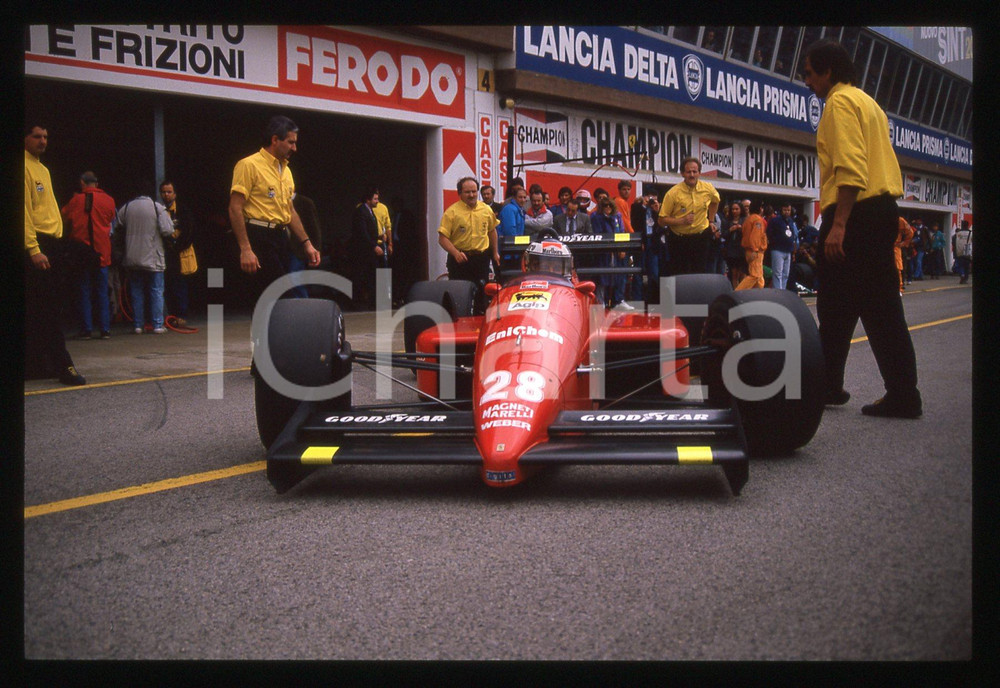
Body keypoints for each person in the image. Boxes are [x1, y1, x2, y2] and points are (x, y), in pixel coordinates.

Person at [804, 39, 921, 418]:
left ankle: (831, 387)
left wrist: (839, 225)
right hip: (878, 210)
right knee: (877, 307)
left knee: (840, 306)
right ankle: (899, 393)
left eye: (809, 73)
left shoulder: (838, 103)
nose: (807, 82)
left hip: (854, 215)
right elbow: (880, 165)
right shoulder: (869, 103)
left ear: (828, 72)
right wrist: (887, 213)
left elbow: (851, 168)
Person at [228, 115, 320, 305]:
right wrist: (246, 249)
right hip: (258, 236)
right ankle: (267, 335)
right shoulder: (249, 165)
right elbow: (235, 208)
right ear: (275, 140)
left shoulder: (286, 171)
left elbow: (290, 210)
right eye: (290, 142)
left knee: (279, 296)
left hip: (280, 238)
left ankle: (274, 335)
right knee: (278, 296)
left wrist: (307, 244)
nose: (295, 148)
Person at [24, 123, 87, 385]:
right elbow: (23, 213)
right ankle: (65, 366)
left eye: (46, 137)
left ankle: (37, 366)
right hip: (38, 245)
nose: (42, 141)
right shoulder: (23, 167)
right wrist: (34, 249)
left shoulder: (43, 169)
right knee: (49, 310)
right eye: (37, 136)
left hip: (52, 243)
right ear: (25, 138)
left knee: (39, 309)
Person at [62, 170, 116, 339]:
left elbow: (63, 217)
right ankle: (105, 329)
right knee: (102, 292)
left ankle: (86, 329)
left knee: (83, 291)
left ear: (82, 183)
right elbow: (110, 219)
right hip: (102, 253)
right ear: (97, 184)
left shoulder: (75, 200)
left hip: (81, 253)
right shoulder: (108, 200)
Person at [115, 192, 176, 334]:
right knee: (156, 290)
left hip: (132, 257)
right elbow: (168, 230)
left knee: (137, 291)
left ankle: (138, 325)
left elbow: (118, 228)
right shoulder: (157, 207)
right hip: (153, 257)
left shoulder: (127, 207)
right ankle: (157, 325)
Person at [657, 156, 721, 275]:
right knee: (679, 275)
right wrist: (681, 221)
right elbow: (661, 220)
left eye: (695, 171)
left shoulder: (708, 188)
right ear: (682, 174)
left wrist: (711, 221)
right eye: (688, 172)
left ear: (699, 173)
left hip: (701, 238)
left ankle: (698, 294)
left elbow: (715, 201)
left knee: (700, 274)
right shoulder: (673, 193)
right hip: (679, 240)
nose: (692, 175)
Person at [437, 177, 499, 291]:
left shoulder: (486, 210)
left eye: (474, 191)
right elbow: (442, 238)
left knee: (481, 294)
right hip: (460, 261)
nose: (471, 195)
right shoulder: (451, 212)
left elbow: (492, 231)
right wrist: (456, 253)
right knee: (459, 295)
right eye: (467, 192)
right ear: (459, 193)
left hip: (481, 260)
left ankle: (480, 309)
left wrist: (495, 253)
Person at [159, 180, 198, 325]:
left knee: (180, 285)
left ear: (175, 194)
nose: (166, 195)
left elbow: (189, 231)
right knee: (167, 285)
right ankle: (170, 315)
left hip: (180, 253)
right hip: (165, 254)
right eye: (163, 192)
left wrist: (177, 245)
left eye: (169, 192)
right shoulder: (159, 209)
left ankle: (181, 315)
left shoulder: (183, 210)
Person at [350, 186, 388, 309]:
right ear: (368, 200)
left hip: (369, 250)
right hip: (363, 251)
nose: (377, 201)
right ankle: (358, 303)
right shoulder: (361, 212)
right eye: (375, 199)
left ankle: (374, 302)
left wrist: (379, 236)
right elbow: (362, 232)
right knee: (361, 276)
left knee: (372, 275)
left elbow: (370, 231)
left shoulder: (370, 211)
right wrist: (374, 246)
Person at [591, 197, 630, 309]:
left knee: (618, 276)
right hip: (603, 251)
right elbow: (598, 233)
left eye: (610, 206)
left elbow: (621, 232)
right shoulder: (596, 217)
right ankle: (601, 301)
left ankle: (617, 300)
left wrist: (622, 248)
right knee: (603, 278)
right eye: (605, 206)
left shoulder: (617, 216)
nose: (608, 208)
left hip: (616, 250)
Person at [288, 192, 323, 299]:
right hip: (284, 246)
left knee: (294, 277)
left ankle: (303, 305)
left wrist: (316, 249)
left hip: (299, 248)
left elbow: (314, 227)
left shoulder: (305, 202)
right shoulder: (278, 202)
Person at [736, 199, 767, 290]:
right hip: (755, 251)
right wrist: (755, 249)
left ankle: (758, 296)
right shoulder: (757, 220)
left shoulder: (748, 219)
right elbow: (755, 236)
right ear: (760, 209)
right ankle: (737, 293)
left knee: (759, 278)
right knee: (755, 275)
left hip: (750, 250)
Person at [496, 184, 527, 274]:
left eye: (524, 197)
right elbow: (510, 231)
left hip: (514, 250)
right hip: (509, 251)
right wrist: (517, 248)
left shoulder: (519, 209)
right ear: (514, 198)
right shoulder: (510, 209)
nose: (523, 200)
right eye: (520, 197)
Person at [766, 203, 797, 290]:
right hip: (777, 249)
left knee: (786, 274)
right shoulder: (775, 220)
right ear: (781, 210)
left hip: (788, 250)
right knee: (777, 273)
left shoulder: (790, 221)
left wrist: (793, 251)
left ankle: (782, 290)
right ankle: (778, 291)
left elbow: (793, 235)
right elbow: (769, 233)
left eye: (788, 210)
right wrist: (774, 243)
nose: (787, 212)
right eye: (785, 210)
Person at [724, 201, 747, 289]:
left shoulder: (744, 220)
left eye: (737, 209)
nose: (734, 211)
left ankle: (743, 291)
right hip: (732, 251)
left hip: (742, 250)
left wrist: (741, 229)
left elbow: (748, 233)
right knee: (734, 274)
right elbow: (724, 234)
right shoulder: (728, 221)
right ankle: (736, 291)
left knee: (742, 273)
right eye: (733, 209)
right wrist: (730, 230)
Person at [894, 216, 914, 293]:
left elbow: (910, 232)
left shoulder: (900, 220)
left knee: (897, 268)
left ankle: (898, 288)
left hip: (895, 247)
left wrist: (904, 243)